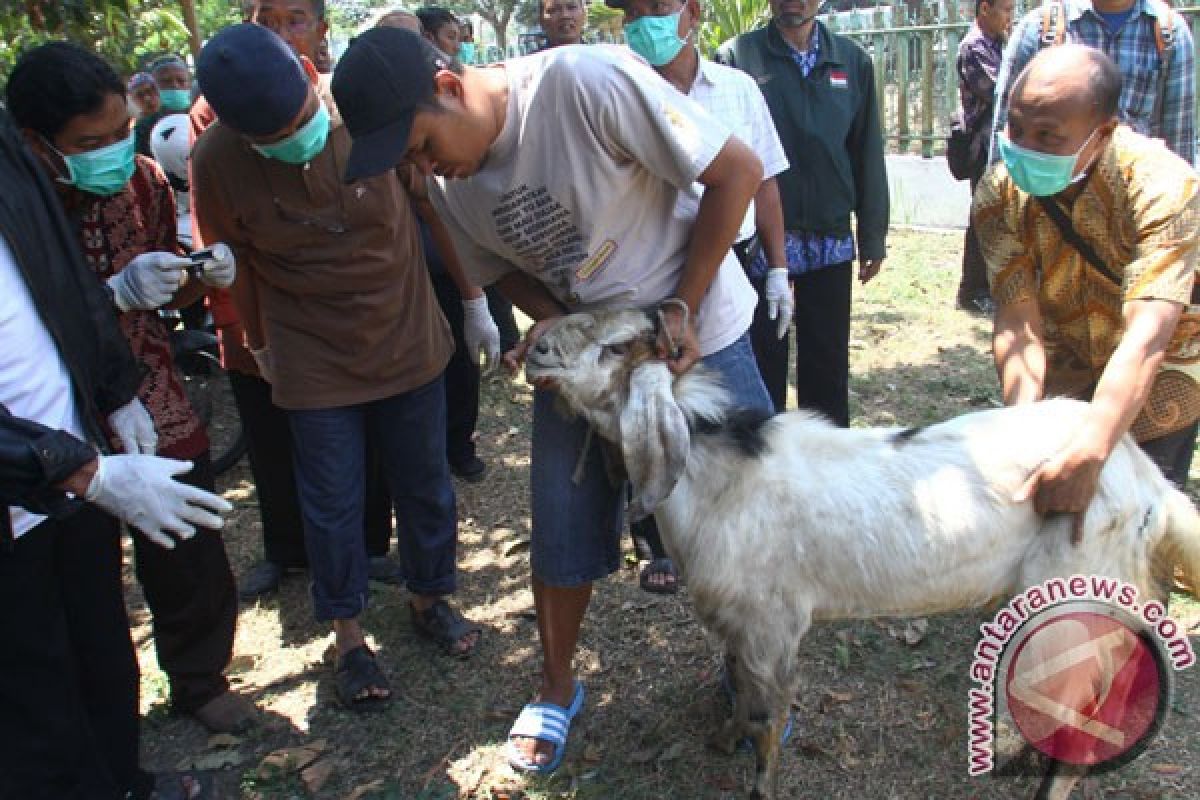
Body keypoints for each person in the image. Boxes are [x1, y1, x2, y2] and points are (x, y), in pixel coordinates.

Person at [332, 26, 769, 771]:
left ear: (447, 86)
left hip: (696, 332)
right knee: (562, 527)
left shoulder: (581, 82)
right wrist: (558, 321)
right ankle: (557, 683)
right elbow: (498, 269)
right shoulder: (447, 184)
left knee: (743, 522)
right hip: (586, 360)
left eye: (419, 144)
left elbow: (739, 173)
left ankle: (753, 675)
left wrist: (681, 307)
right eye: (408, 159)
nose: (421, 167)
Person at [193, 24, 482, 709]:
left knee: (424, 483)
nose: (292, 142)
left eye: (298, 122)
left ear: (305, 69)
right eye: (270, 140)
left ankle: (429, 597)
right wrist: (258, 345)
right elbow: (236, 266)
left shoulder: (367, 117)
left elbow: (432, 207)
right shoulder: (215, 160)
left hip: (406, 335)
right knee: (331, 502)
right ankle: (348, 636)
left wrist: (473, 299)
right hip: (310, 356)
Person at [7, 41, 252, 735]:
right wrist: (109, 295)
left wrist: (197, 274)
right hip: (58, 411)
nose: (114, 151)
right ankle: (95, 703)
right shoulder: (20, 206)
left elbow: (167, 269)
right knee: (75, 567)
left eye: (122, 131)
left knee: (188, 535)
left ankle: (200, 676)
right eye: (93, 141)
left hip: (151, 383)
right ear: (37, 144)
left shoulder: (143, 178)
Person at [211, 0, 405, 598]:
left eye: (294, 18)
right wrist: (253, 337)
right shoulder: (215, 137)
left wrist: (471, 299)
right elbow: (224, 251)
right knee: (309, 470)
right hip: (294, 335)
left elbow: (415, 206)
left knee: (370, 460)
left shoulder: (356, 104)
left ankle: (374, 551)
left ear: (319, 31)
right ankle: (310, 578)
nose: (280, 31)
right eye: (266, 20)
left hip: (379, 328)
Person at [973, 45, 1200, 542]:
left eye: (1048, 136)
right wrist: (1025, 427)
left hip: (1161, 378)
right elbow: (1017, 319)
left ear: (1101, 135)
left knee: (1135, 532)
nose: (1023, 147)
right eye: (1016, 129)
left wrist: (1094, 448)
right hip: (1067, 367)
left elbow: (1148, 335)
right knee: (1058, 535)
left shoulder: (1165, 188)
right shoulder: (998, 193)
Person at [613, 0, 789, 594]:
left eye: (658, 7)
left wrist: (778, 267)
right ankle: (660, 542)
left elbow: (762, 181)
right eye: (633, 12)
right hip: (650, 277)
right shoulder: (617, 94)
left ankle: (763, 545)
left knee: (744, 422)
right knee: (654, 414)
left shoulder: (738, 89)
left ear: (693, 11)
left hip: (729, 273)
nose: (646, 22)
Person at [717, 0, 889, 423]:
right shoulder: (738, 57)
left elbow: (867, 151)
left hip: (829, 240)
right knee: (763, 361)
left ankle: (828, 467)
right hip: (760, 241)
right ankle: (768, 463)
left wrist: (872, 235)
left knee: (827, 366)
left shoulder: (851, 61)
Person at [374, 9, 502, 482]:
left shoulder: (454, 126)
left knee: (460, 361)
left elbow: (438, 210)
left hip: (443, 263)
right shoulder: (377, 116)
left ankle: (458, 444)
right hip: (398, 278)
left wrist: (476, 302)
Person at [992, 0, 1196, 165]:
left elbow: (1179, 142)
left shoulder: (1169, 34)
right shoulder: (1041, 29)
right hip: (1050, 195)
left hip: (1135, 203)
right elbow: (1004, 128)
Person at [954, 0, 1014, 315]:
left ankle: (994, 284)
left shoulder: (999, 43)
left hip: (1003, 141)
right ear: (985, 8)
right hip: (981, 143)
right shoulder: (974, 48)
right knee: (982, 214)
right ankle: (972, 289)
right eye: (1005, 9)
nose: (1010, 17)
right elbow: (998, 92)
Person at [135, 54, 193, 156]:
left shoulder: (203, 117)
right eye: (166, 81)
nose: (175, 85)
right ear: (155, 88)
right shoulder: (143, 130)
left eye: (181, 80)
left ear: (189, 83)